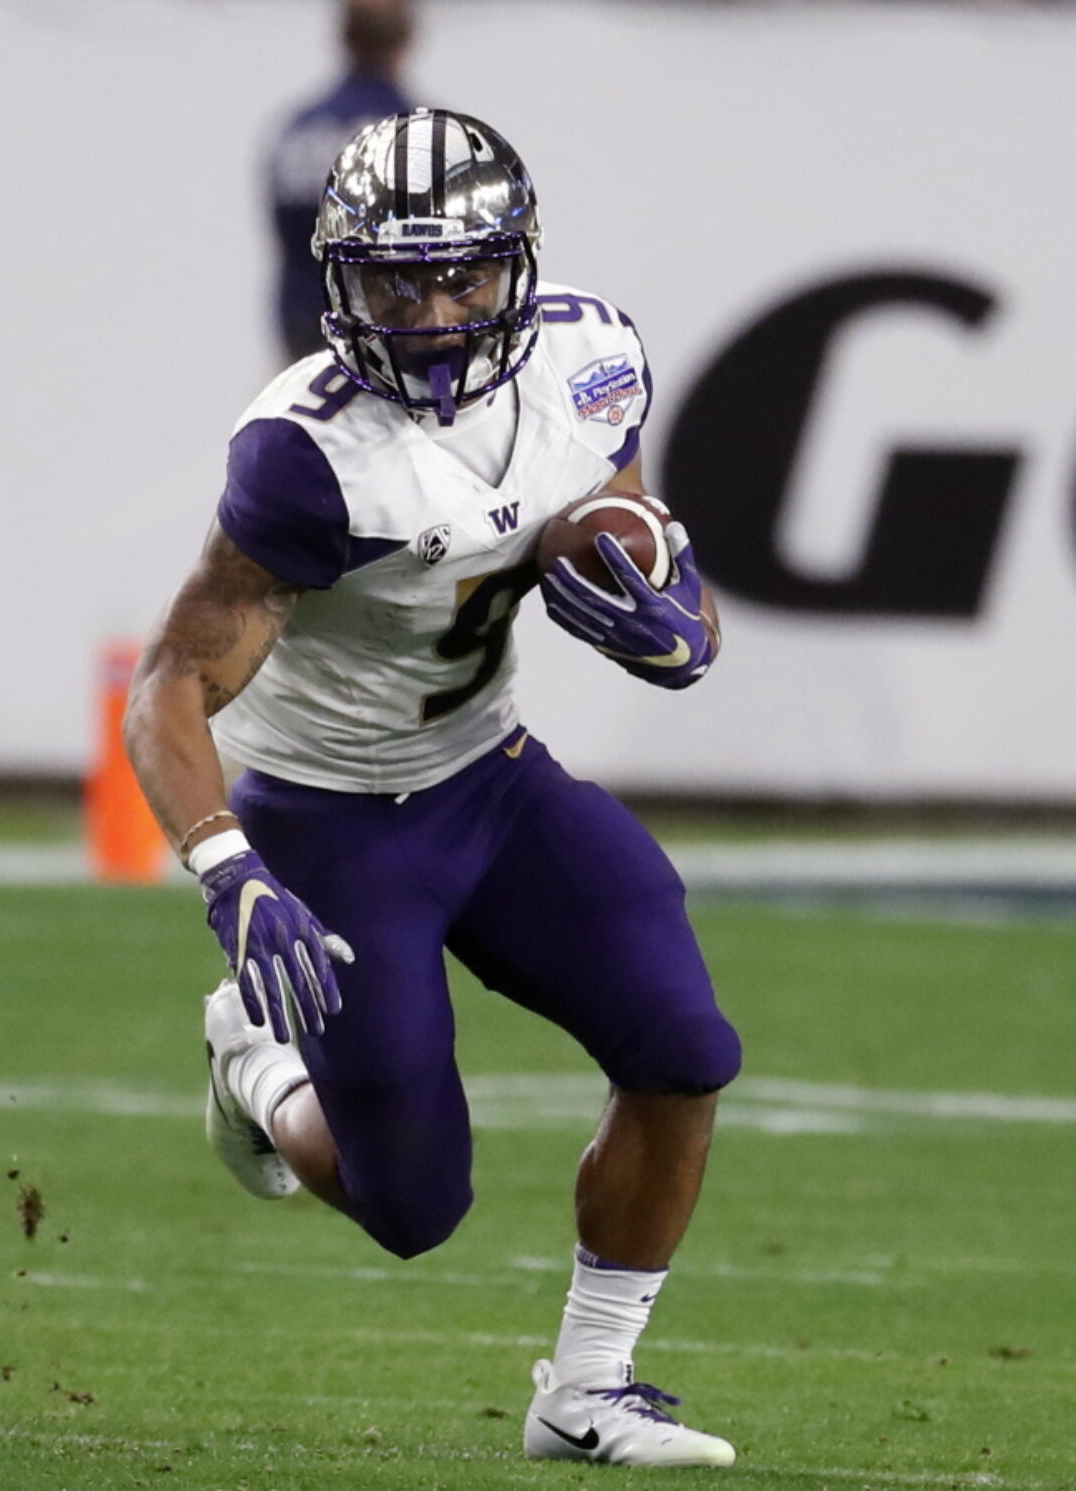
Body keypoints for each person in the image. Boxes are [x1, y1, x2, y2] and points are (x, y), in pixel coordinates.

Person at [126, 108, 741, 1469]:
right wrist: (229, 863)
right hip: (330, 819)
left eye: (460, 271)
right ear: (344, 279)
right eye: (397, 277)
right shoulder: (305, 451)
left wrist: (676, 613)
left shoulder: (590, 356)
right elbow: (167, 685)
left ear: (514, 264)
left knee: (683, 1043)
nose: (432, 304)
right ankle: (257, 1061)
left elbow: (617, 516)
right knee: (412, 1205)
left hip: (492, 776)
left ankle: (587, 1389)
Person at [266, 0, 415, 363]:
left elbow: (284, 234)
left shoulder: (300, 129)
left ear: (344, 37)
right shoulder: (417, 135)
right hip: (393, 340)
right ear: (408, 39)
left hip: (304, 334)